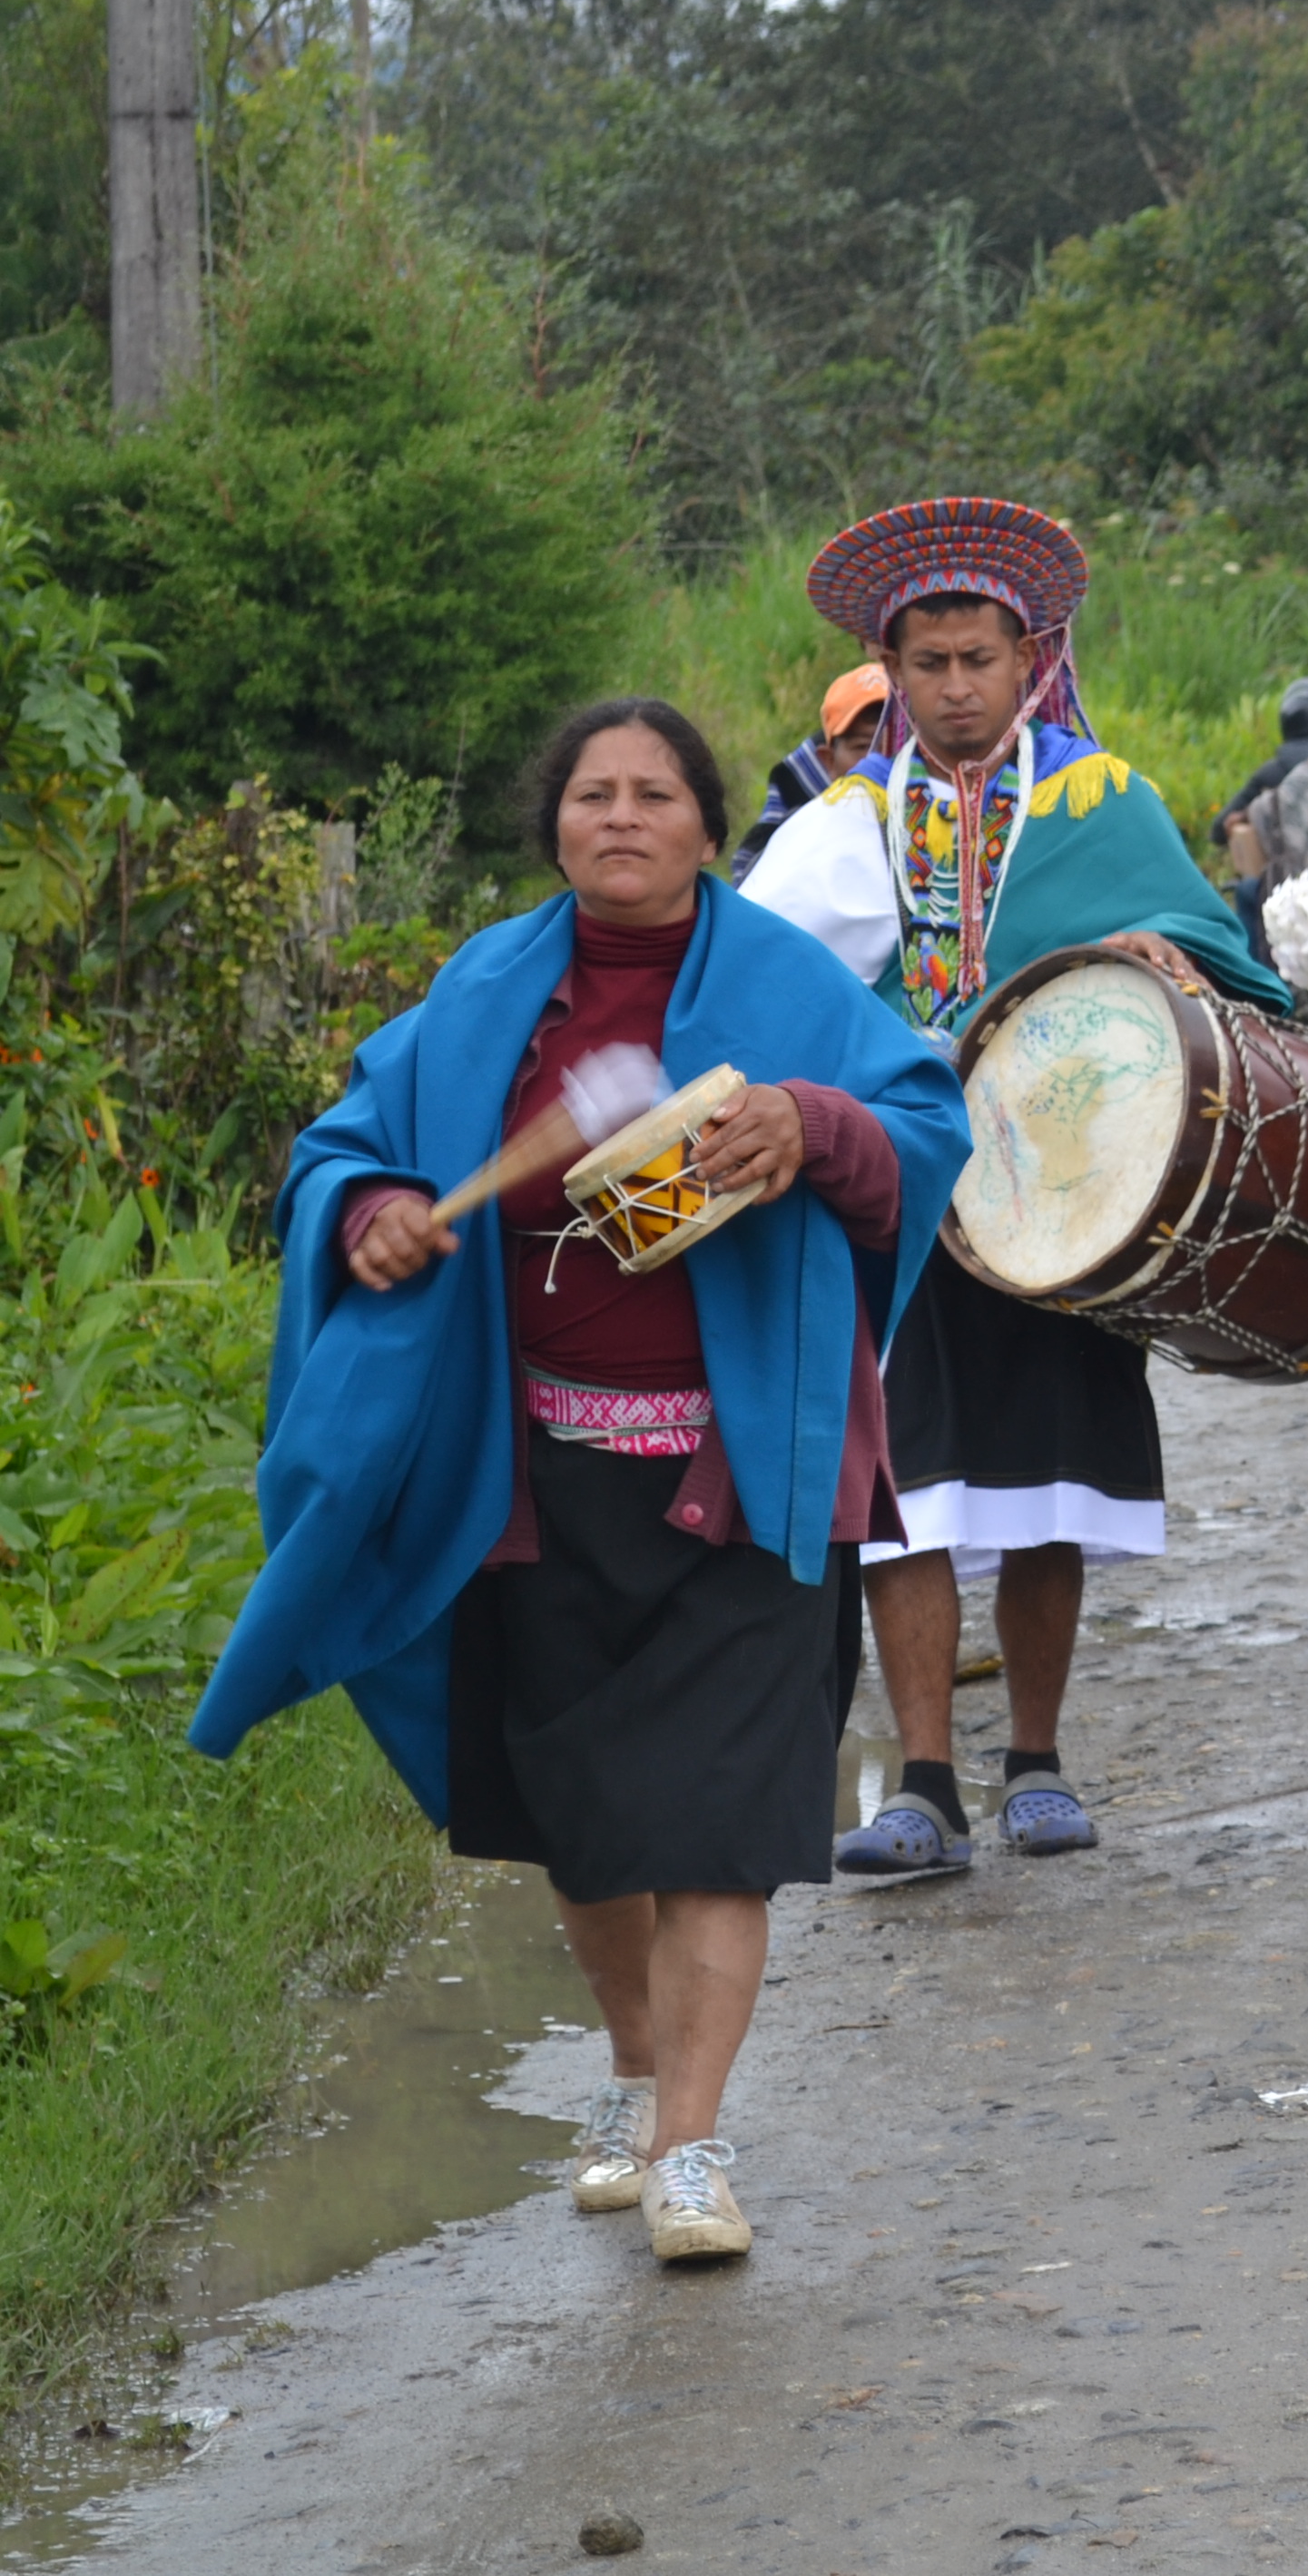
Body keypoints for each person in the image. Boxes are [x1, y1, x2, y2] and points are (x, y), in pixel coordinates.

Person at [189, 700, 970, 2265]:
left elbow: (922, 1125)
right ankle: (629, 2066)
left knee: (721, 1823)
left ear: (705, 823)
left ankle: (692, 2143)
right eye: (591, 795)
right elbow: (341, 1144)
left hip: (745, 1469)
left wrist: (807, 1123)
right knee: (587, 1822)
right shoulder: (488, 990)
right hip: (532, 1472)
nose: (619, 817)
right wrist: (375, 1213)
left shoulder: (782, 987)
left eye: (654, 794)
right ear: (556, 822)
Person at [740, 496, 1293, 1872]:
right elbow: (753, 983)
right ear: (893, 668)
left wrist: (1157, 953)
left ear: (1031, 657)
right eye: (927, 665)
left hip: (1072, 1186)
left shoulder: (1100, 801)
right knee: (906, 1489)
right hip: (901, 1199)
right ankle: (924, 1785)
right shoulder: (848, 821)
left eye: (979, 659)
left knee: (1049, 1484)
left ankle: (1036, 1761)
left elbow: (1211, 950)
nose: (955, 689)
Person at [1214, 675, 1308, 971]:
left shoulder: (1273, 772)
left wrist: (1251, 813)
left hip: (1285, 886)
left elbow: (1218, 830)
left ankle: (1253, 982)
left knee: (1248, 891)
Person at [729, 661, 893, 876]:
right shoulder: (797, 842)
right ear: (829, 761)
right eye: (862, 747)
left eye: (894, 745)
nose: (878, 761)